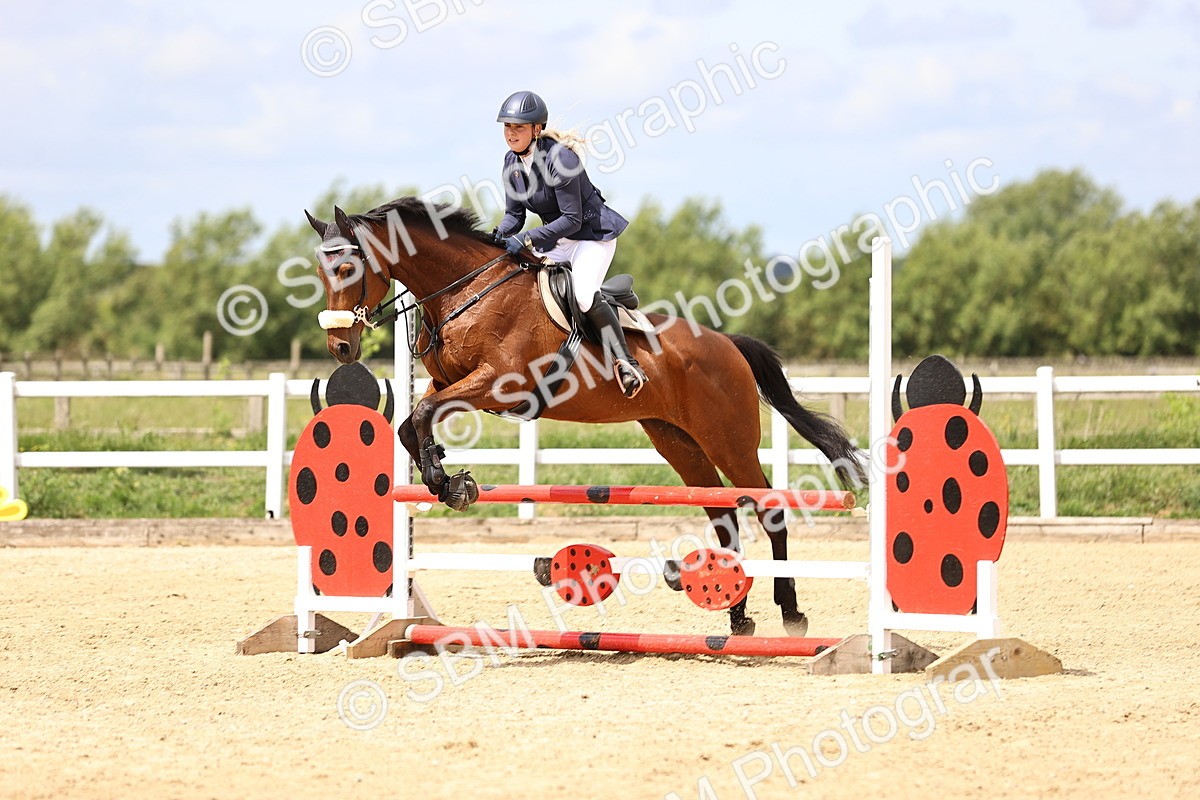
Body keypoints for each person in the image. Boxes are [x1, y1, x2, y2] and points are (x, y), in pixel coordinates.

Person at [493, 90, 647, 399]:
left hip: (590, 236)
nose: (511, 133)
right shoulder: (511, 162)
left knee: (584, 297)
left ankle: (627, 363)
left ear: (537, 129)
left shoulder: (560, 158)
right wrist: (495, 236)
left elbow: (572, 220)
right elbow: (514, 215)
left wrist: (525, 239)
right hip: (555, 238)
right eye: (507, 127)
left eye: (518, 127)